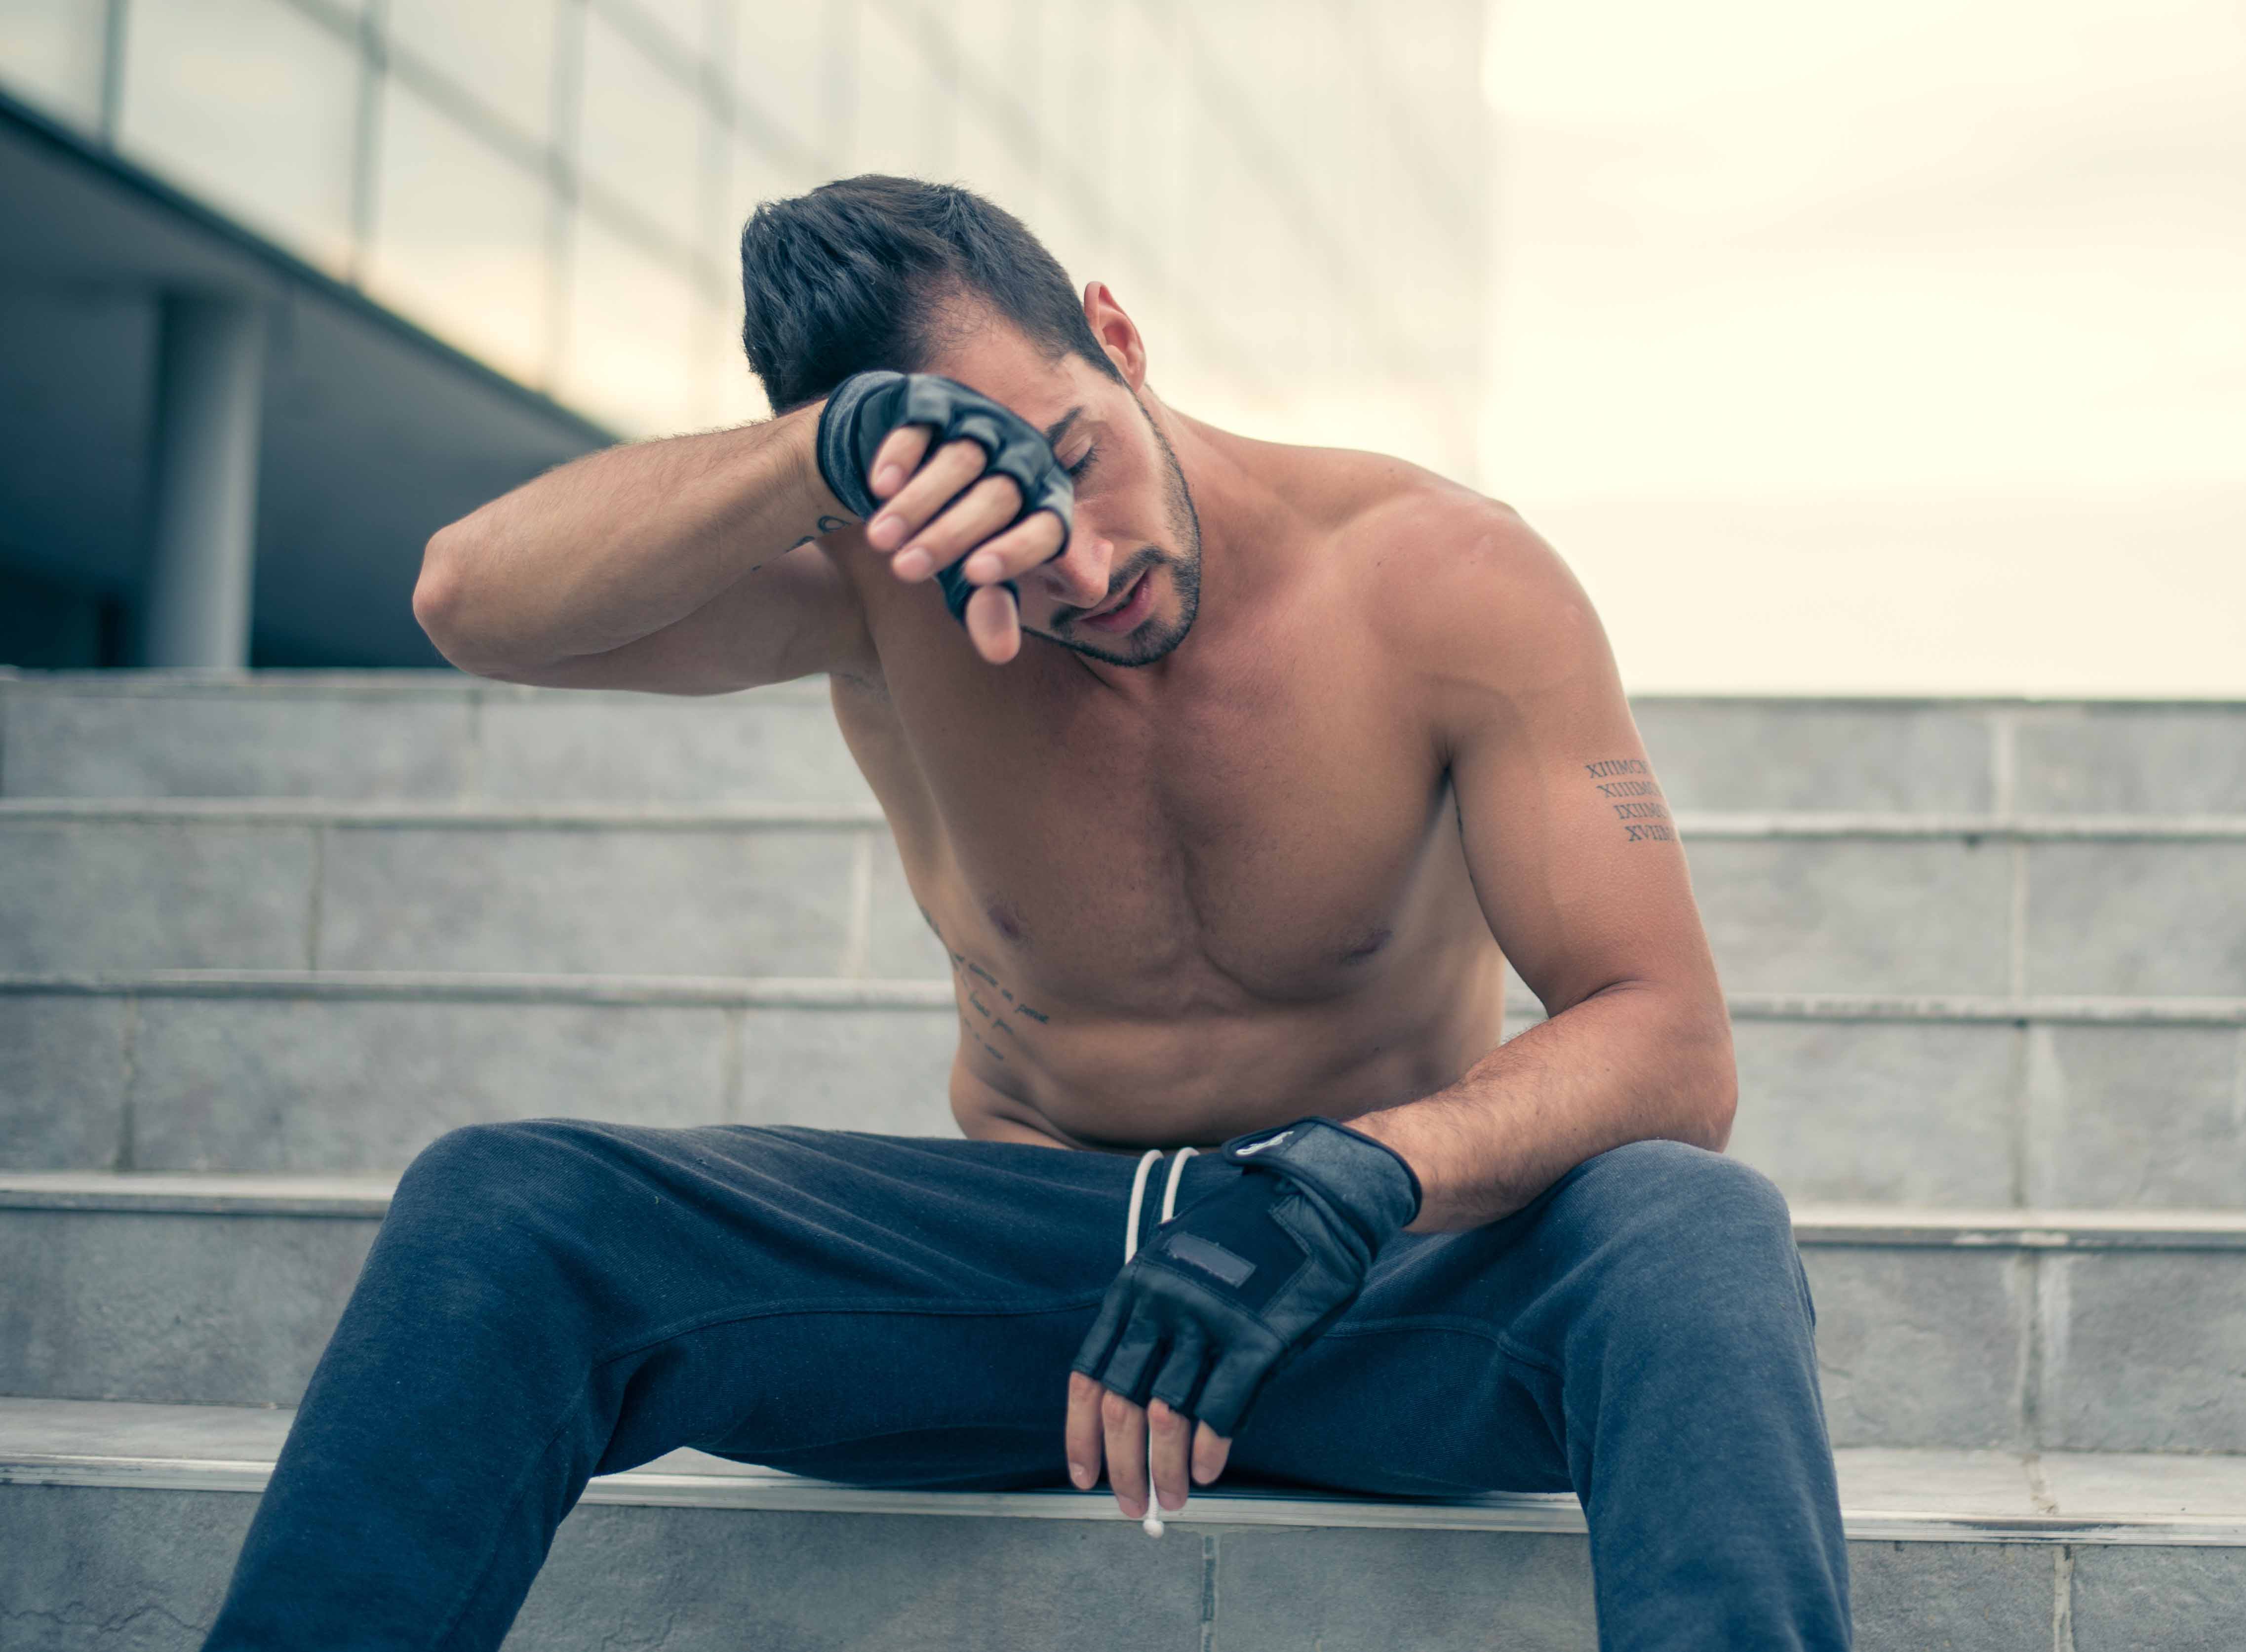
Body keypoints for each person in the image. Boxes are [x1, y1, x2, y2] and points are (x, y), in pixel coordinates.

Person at [199, 175, 1851, 1651]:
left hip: (1369, 1275)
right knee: (505, 1207)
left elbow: (1670, 1041)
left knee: (1693, 1230)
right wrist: (820, 457)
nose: (1077, 565)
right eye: (1004, 526)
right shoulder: (868, 581)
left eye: (1072, 454)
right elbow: (470, 604)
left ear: (1119, 339)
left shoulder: (1440, 579)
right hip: (1035, 1287)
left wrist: (1362, 1175)